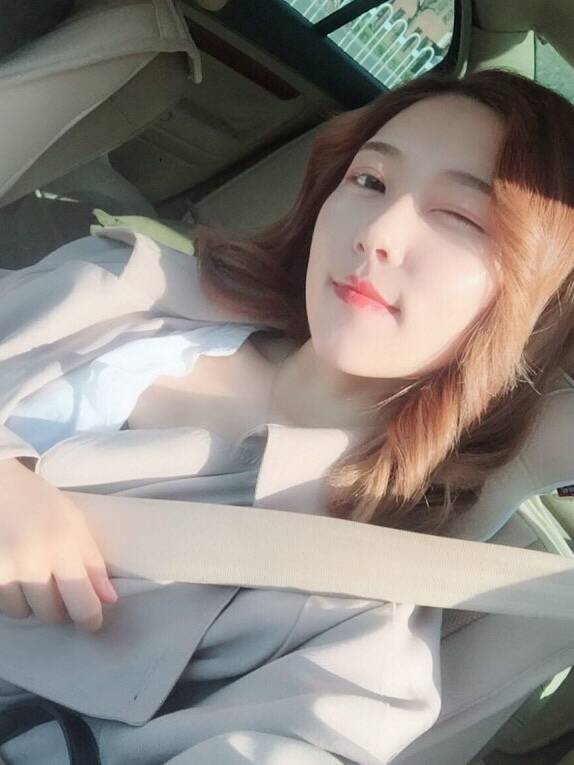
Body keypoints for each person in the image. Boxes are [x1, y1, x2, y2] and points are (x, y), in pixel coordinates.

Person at [0, 66, 573, 764]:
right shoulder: (133, 291)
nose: (379, 231)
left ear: (535, 307)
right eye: (369, 181)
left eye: (460, 217)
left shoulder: (357, 630)